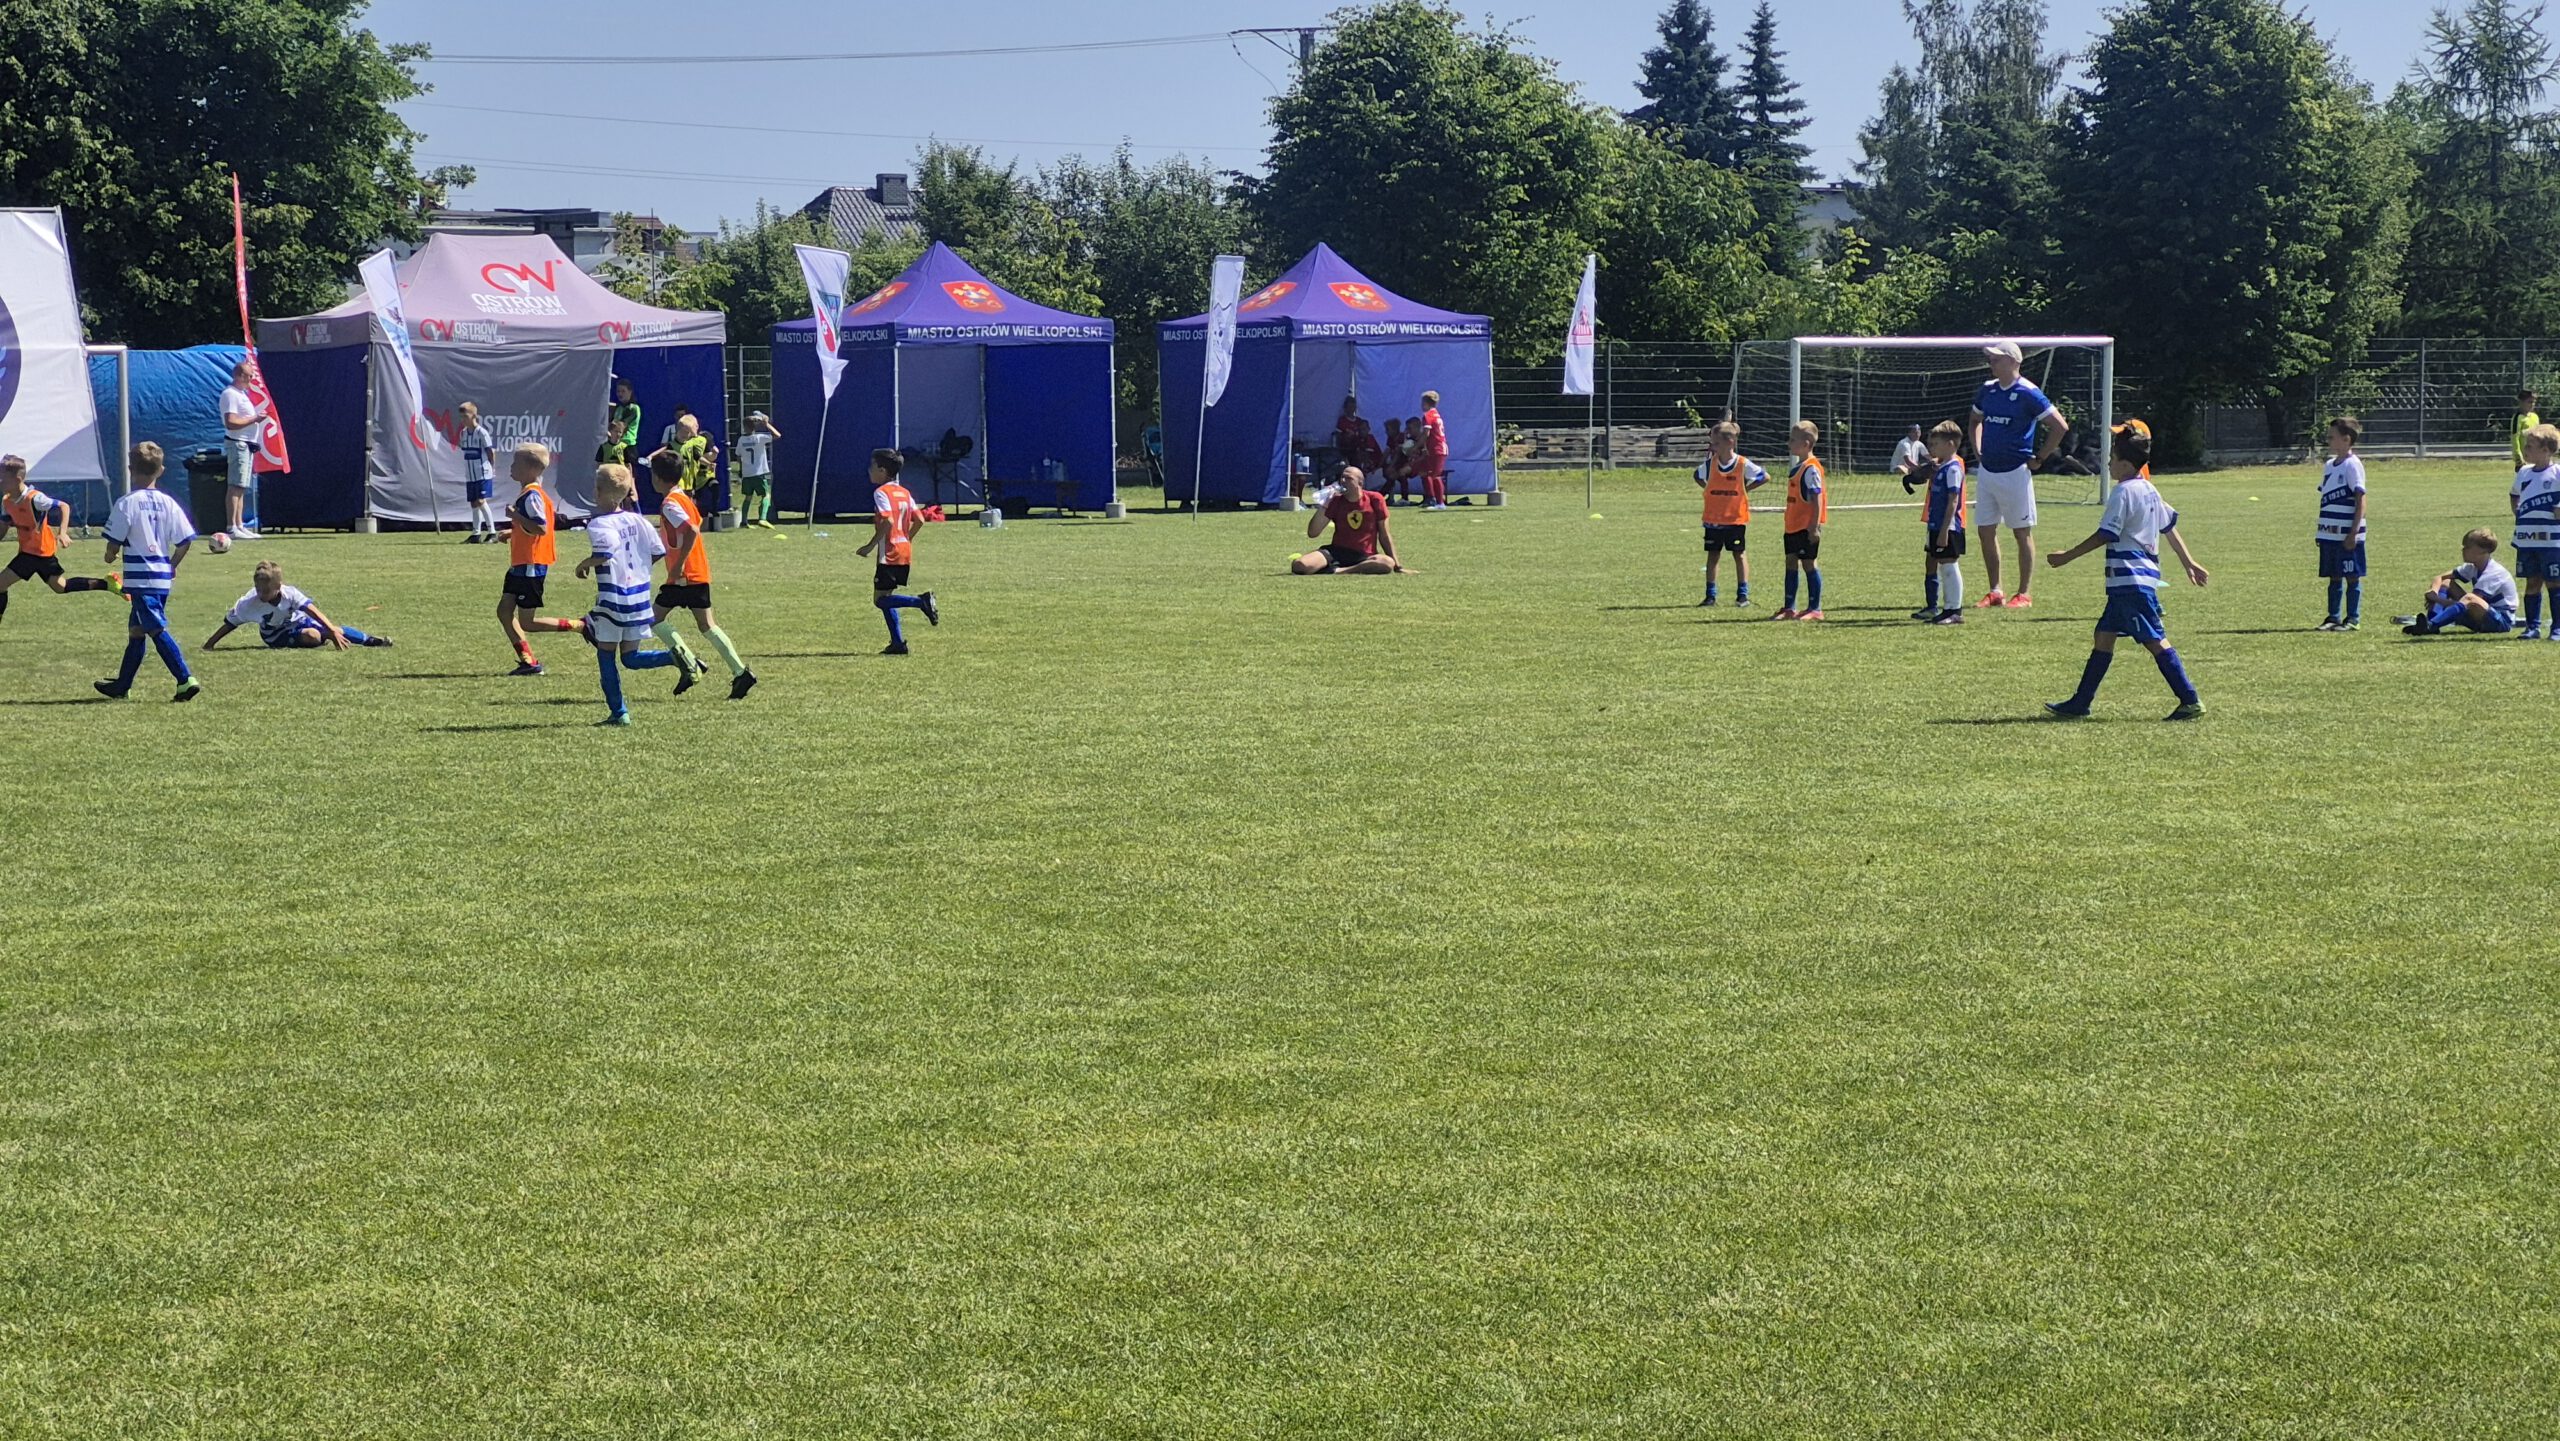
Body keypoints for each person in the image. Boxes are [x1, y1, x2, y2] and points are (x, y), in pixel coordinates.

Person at [2042, 419, 2209, 720]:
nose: (2108, 464)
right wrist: (2189, 563)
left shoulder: (2123, 493)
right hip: (2135, 580)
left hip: (2130, 580)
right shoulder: (2149, 489)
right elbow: (2169, 528)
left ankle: (2190, 700)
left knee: (2155, 641)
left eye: (2112, 459)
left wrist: (2068, 556)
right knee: (2103, 636)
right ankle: (2080, 702)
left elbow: (2106, 534)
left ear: (2126, 464)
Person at [574, 465, 687, 725]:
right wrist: (638, 570)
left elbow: (607, 550)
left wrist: (585, 564)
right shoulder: (639, 520)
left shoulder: (599, 523)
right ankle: (673, 656)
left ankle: (619, 712)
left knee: (606, 655)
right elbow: (658, 551)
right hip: (639, 598)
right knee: (630, 657)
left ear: (598, 492)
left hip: (613, 600)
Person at [94, 443, 202, 702]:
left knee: (155, 628)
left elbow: (114, 542)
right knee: (137, 630)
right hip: (161, 577)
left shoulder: (126, 503)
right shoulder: (169, 503)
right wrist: (172, 564)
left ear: (130, 470)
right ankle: (122, 685)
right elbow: (185, 541)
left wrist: (110, 554)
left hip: (141, 578)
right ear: (161, 470)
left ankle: (185, 679)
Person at [648, 450, 757, 699]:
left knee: (653, 619)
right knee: (707, 625)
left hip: (684, 576)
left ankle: (690, 662)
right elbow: (690, 528)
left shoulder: (670, 504)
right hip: (696, 572)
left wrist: (678, 565)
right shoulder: (683, 497)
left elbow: (691, 530)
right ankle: (740, 672)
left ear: (657, 478)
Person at [1967, 341, 2064, 608]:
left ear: (2013, 361)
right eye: (1990, 358)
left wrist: (2040, 458)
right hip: (1988, 472)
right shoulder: (1987, 390)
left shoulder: (2028, 392)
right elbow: (1974, 420)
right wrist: (1977, 450)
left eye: (1997, 358)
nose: (1991, 363)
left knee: (2021, 532)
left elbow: (2059, 426)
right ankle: (1995, 591)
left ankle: (2023, 593)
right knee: (1985, 530)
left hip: (2015, 473)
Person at [495, 442, 583, 676]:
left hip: (531, 565)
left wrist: (515, 516)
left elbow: (540, 528)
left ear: (531, 469)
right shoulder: (529, 493)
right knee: (504, 611)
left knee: (527, 622)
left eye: (516, 463)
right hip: (521, 563)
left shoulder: (532, 495)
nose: (511, 467)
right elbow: (532, 528)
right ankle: (528, 661)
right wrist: (513, 532)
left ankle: (582, 626)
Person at [0, 454, 120, 623]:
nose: (0, 481)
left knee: (1, 584)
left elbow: (64, 506)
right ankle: (107, 584)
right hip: (31, 552)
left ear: (17, 479)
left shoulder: (35, 498)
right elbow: (4, 525)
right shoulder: (7, 501)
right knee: (60, 586)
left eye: (3, 478)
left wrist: (62, 532)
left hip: (40, 552)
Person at [205, 559, 391, 650]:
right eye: (258, 589)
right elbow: (230, 624)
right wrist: (209, 645)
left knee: (333, 629)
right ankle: (323, 637)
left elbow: (314, 611)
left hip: (299, 622)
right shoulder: (249, 603)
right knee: (312, 635)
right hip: (276, 635)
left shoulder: (290, 594)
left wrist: (332, 630)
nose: (260, 594)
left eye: (265, 591)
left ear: (278, 587)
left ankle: (371, 641)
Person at [859, 448, 939, 655]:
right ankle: (897, 643)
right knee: (887, 595)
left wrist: (870, 545)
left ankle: (920, 601)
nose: (869, 470)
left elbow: (887, 520)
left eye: (872, 466)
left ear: (883, 470)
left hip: (889, 553)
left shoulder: (881, 492)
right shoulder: (904, 492)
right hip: (904, 550)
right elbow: (919, 520)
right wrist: (906, 538)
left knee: (880, 600)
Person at [1693, 420, 1768, 607]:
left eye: (1716, 443)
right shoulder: (1710, 465)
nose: (1713, 447)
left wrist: (1745, 489)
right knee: (1713, 555)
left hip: (1735, 519)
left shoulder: (1742, 464)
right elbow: (1697, 476)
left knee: (1739, 554)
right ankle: (1710, 595)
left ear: (1730, 442)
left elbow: (1764, 476)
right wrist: (1708, 488)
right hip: (1713, 519)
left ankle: (1742, 595)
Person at [2405, 528, 2520, 637]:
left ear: (2483, 550)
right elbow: (2440, 577)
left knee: (2470, 598)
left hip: (2501, 621)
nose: (2463, 550)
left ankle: (2432, 625)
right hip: (2482, 616)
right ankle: (2429, 623)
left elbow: (2470, 602)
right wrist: (2433, 592)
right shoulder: (2472, 567)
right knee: (2446, 582)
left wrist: (2438, 600)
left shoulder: (2494, 572)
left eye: (2468, 547)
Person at [2313, 416, 2370, 632]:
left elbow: (2361, 500)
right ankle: (2333, 617)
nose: (2328, 440)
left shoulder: (2352, 465)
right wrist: (2322, 530)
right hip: (2329, 533)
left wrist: (2353, 532)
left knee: (2352, 576)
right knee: (2334, 575)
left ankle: (2353, 618)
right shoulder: (2329, 465)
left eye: (2332, 437)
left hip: (2347, 534)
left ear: (2346, 439)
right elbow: (2327, 499)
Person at [1292, 464, 1403, 574]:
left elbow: (1384, 535)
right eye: (1342, 478)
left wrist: (1397, 566)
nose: (1343, 481)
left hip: (1364, 555)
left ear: (1360, 483)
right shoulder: (1335, 501)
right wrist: (1325, 504)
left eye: (1349, 478)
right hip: (1336, 552)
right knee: (1300, 565)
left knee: (1387, 562)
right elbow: (1313, 533)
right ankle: (1341, 568)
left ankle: (1339, 571)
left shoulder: (1375, 499)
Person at [1912, 419, 1968, 624]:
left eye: (1935, 444)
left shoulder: (1953, 469)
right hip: (1936, 524)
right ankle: (1947, 609)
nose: (1931, 448)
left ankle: (1955, 610)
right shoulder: (1941, 467)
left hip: (1948, 526)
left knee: (1949, 565)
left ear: (1950, 444)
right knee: (1943, 566)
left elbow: (1953, 501)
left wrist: (1945, 530)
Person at [1775, 420, 1827, 621]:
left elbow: (1817, 498)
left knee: (1809, 564)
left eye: (1792, 440)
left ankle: (1815, 609)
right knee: (1790, 562)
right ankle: (1789, 607)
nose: (1789, 443)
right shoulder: (1799, 466)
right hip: (1792, 526)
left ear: (1806, 444)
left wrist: (1814, 527)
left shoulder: (1811, 469)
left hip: (1806, 527)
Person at [2513, 422, 2560, 640]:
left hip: (2551, 540)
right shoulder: (2524, 472)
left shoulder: (2557, 472)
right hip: (2527, 538)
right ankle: (2532, 627)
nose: (2525, 450)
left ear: (2546, 450)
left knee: (2554, 582)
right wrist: (2517, 511)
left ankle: (2557, 628)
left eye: (2530, 446)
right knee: (2532, 582)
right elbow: (2514, 494)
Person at [218, 358, 266, 540]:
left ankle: (239, 525)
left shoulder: (241, 394)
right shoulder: (230, 394)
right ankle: (232, 527)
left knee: (241, 487)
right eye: (248, 376)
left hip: (246, 445)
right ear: (238, 375)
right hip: (238, 443)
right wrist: (255, 419)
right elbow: (231, 422)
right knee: (235, 485)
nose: (251, 380)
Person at [458, 400, 500, 543]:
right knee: (474, 502)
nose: (463, 420)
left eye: (465, 416)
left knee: (481, 500)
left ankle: (492, 532)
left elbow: (490, 451)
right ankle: (476, 533)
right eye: (461, 417)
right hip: (470, 474)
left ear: (474, 416)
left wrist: (492, 467)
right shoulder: (463, 433)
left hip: (482, 472)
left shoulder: (482, 432)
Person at [735, 411, 779, 528]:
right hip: (759, 473)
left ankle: (744, 521)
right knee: (766, 495)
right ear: (755, 427)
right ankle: (762, 518)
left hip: (747, 473)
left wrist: (741, 469)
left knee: (748, 497)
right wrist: (766, 424)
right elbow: (777, 435)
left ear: (744, 427)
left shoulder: (741, 440)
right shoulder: (759, 438)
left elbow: (738, 456)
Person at [1418, 390, 1451, 509]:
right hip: (1435, 448)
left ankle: (1440, 503)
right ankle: (1432, 499)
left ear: (1425, 403)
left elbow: (1426, 434)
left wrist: (1417, 446)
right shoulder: (1436, 414)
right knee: (1425, 472)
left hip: (1437, 448)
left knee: (1435, 475)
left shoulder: (1428, 415)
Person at [600, 377, 642, 467]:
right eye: (618, 391)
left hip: (627, 446)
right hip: (616, 445)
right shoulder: (618, 408)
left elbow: (620, 426)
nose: (620, 394)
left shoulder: (633, 408)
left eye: (623, 391)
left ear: (630, 392)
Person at [1380, 418, 1409, 502]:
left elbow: (1398, 454)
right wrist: (1380, 464)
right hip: (1395, 463)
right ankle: (1386, 497)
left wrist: (1391, 466)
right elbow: (1387, 452)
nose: (1386, 432)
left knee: (1399, 477)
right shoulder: (1390, 438)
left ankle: (1404, 498)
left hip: (1403, 462)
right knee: (1392, 478)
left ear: (1394, 429)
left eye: (1388, 429)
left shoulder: (1401, 437)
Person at [2516, 389, 2541, 471]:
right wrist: (2518, 456)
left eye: (2534, 402)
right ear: (2521, 402)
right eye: (2529, 402)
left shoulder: (2535, 417)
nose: (2532, 404)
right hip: (2525, 457)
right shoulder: (2518, 418)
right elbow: (2515, 438)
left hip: (2536, 455)